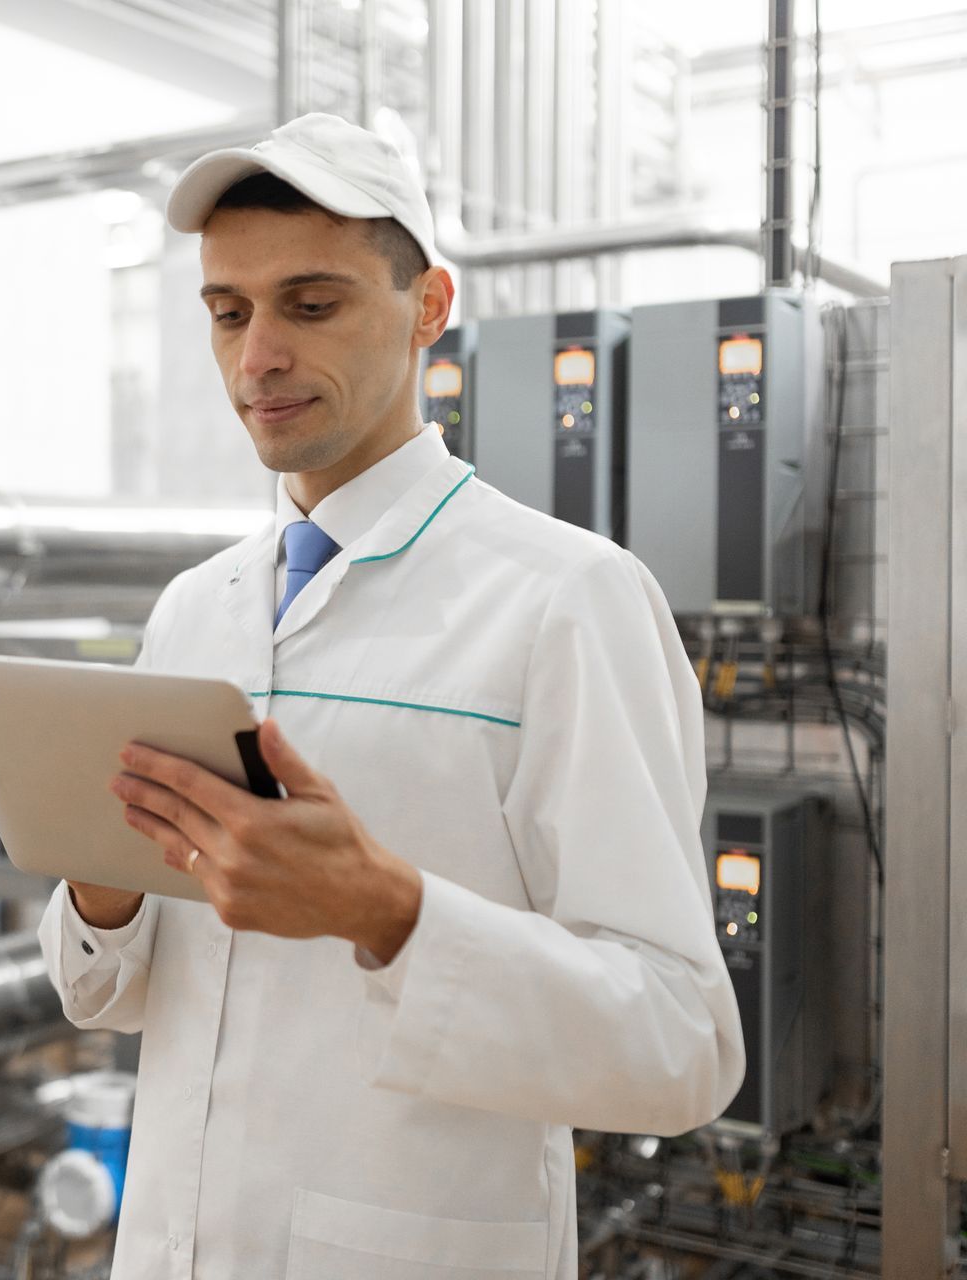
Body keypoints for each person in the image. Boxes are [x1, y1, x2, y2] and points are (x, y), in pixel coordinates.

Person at [37, 113, 744, 1280]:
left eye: (311, 305)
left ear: (428, 309)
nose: (257, 356)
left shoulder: (568, 598)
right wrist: (104, 889)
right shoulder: (193, 609)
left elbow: (680, 1048)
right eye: (228, 312)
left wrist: (390, 912)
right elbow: (113, 996)